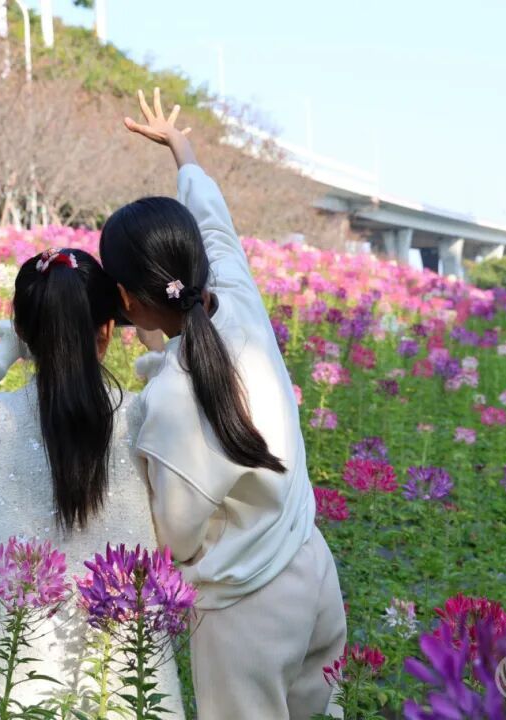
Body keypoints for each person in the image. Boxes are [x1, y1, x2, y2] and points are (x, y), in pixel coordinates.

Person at [99, 88, 347, 720]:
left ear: (126, 302)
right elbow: (214, 219)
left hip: (248, 610)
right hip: (312, 567)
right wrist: (182, 149)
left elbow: (176, 537)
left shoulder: (170, 398)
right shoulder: (237, 297)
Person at [0, 249, 184, 719]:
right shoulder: (142, 415)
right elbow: (181, 384)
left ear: (26, 334)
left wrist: (6, 347)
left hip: (18, 678)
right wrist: (156, 357)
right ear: (107, 331)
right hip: (125, 673)